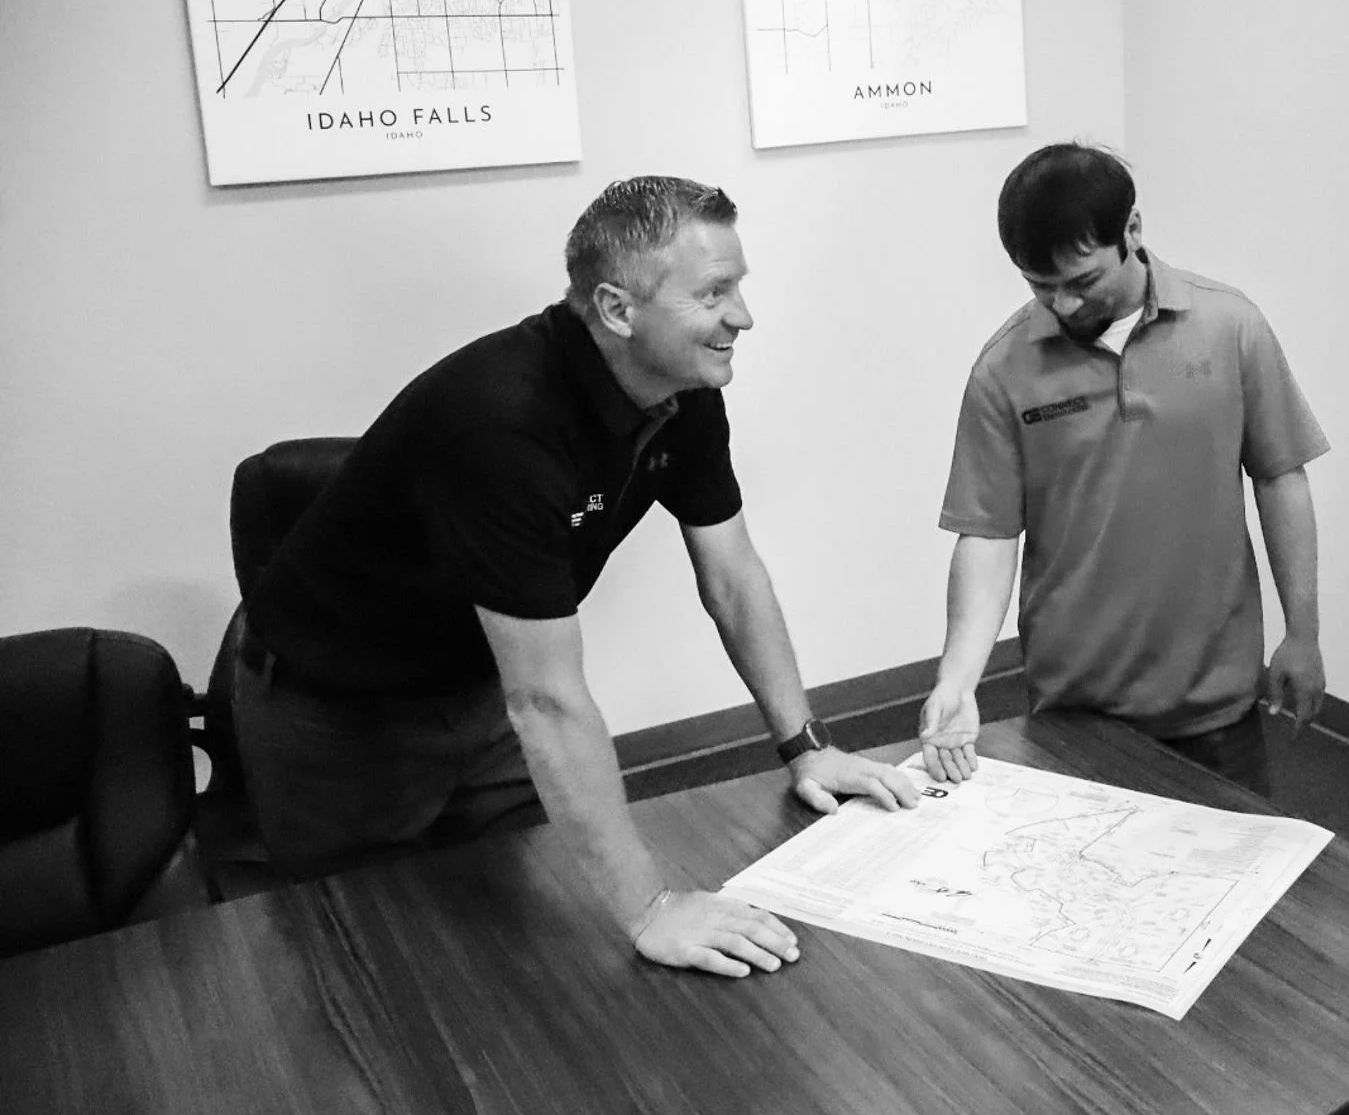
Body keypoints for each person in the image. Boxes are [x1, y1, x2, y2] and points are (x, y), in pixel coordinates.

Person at [240, 175, 920, 975]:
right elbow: (546, 698)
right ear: (617, 309)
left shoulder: (683, 389)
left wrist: (806, 747)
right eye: (712, 293)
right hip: (338, 714)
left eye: (738, 286)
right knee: (371, 960)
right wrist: (652, 907)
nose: (742, 316)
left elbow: (733, 577)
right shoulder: (500, 422)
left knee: (515, 945)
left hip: (476, 689)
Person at [918, 142, 1329, 796]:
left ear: (1132, 231)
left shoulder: (1231, 327)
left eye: (1082, 282)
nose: (1063, 304)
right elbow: (989, 536)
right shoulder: (1002, 370)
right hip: (1073, 710)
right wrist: (957, 678)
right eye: (1039, 285)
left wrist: (1302, 633)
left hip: (1217, 704)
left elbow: (1281, 477)